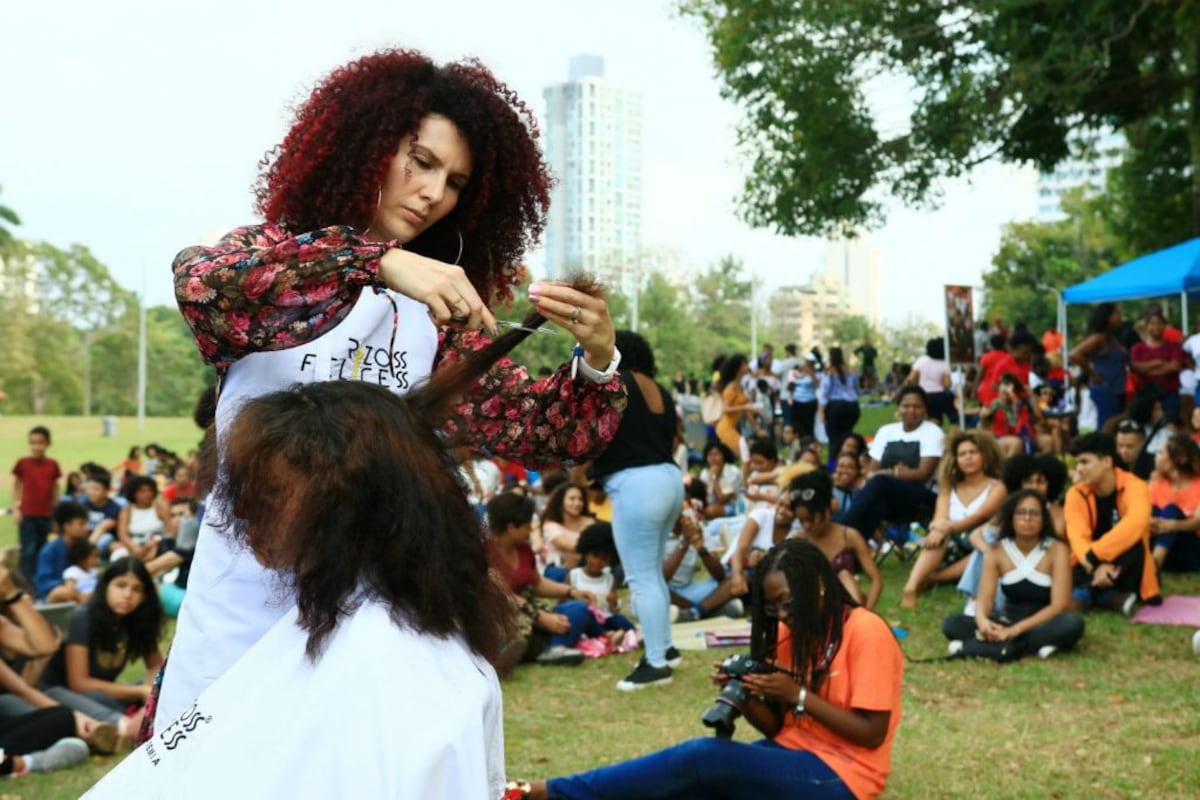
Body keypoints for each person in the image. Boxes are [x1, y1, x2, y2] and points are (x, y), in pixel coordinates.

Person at [155, 49, 627, 729]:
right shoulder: (272, 263)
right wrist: (376, 261)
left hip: (366, 630)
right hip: (237, 622)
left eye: (457, 181)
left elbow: (541, 429)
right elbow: (205, 287)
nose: (434, 193)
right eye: (420, 160)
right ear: (363, 144)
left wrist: (598, 357)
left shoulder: (435, 315)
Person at [92, 370, 539, 797]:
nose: (245, 518)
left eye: (268, 497)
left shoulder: (408, 675)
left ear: (347, 507)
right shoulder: (334, 619)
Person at [512, 539, 904, 800]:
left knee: (702, 758)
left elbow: (871, 734)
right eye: (772, 609)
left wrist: (797, 694)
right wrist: (749, 695)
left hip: (846, 775)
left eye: (788, 602)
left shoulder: (865, 631)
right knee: (691, 784)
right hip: (794, 755)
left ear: (820, 585)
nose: (783, 616)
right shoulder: (788, 633)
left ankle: (552, 792)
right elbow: (780, 730)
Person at [588, 331, 684, 690]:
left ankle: (656, 663)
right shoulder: (661, 389)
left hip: (636, 484)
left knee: (640, 577)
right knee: (652, 573)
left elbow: (598, 433)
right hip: (669, 477)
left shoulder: (617, 382)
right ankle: (666, 648)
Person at [943, 490, 1085, 662]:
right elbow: (984, 602)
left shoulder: (1058, 550)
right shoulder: (996, 551)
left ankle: (974, 647)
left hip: (1042, 623)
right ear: (1011, 517)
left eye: (1034, 513)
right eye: (1021, 513)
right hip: (1006, 620)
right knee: (951, 623)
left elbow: (1059, 605)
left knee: (1072, 624)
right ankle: (1032, 647)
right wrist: (983, 623)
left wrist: (1015, 631)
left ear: (1043, 519)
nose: (1027, 518)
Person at [42, 558, 163, 735]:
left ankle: (140, 714)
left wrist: (149, 691)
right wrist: (139, 692)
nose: (128, 595)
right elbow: (79, 683)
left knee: (165, 682)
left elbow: (155, 665)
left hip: (104, 693)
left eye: (137, 589)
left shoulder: (137, 620)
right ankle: (125, 725)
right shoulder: (83, 617)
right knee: (93, 698)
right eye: (121, 586)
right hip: (64, 694)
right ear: (106, 586)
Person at [486, 492, 598, 669]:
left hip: (530, 611)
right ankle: (514, 651)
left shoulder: (524, 549)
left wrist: (570, 592)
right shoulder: (483, 553)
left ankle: (551, 649)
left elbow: (537, 583)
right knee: (508, 624)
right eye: (527, 526)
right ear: (511, 527)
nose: (531, 530)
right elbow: (504, 597)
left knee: (577, 609)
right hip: (502, 612)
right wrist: (541, 617)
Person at [900, 430, 1008, 610]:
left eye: (973, 452)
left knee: (981, 543)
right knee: (938, 535)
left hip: (979, 539)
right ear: (955, 460)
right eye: (962, 454)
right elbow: (940, 516)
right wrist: (938, 528)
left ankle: (934, 579)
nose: (968, 458)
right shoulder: (949, 486)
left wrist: (947, 528)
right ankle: (911, 588)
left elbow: (980, 516)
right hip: (951, 542)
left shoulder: (998, 486)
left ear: (985, 456)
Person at [1064, 433, 1159, 616]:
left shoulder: (1136, 486)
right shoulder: (1075, 494)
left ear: (1107, 462)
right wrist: (1095, 563)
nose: (1079, 469)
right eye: (1077, 463)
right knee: (1073, 554)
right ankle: (1107, 597)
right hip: (1089, 565)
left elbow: (1136, 524)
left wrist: (1096, 556)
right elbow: (1077, 538)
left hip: (1125, 563)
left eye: (1085, 462)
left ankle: (1088, 594)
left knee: (1134, 542)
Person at [838, 386, 945, 544]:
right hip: (890, 498)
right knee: (875, 506)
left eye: (917, 406)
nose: (911, 410)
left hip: (922, 498)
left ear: (925, 410)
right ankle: (849, 555)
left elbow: (923, 474)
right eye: (906, 406)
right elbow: (873, 471)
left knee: (880, 483)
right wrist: (899, 472)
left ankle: (837, 534)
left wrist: (890, 473)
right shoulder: (886, 431)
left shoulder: (932, 432)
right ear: (899, 408)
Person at [791, 471, 882, 609]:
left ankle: (857, 620)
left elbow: (876, 580)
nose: (806, 526)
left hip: (849, 603)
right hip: (815, 607)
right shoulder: (800, 541)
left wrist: (868, 614)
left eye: (810, 519)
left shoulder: (849, 536)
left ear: (826, 510)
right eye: (801, 520)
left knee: (844, 575)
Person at [566, 522, 636, 644]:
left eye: (604, 558)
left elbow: (614, 611)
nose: (598, 562)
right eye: (595, 555)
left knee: (620, 620)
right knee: (588, 623)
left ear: (611, 560)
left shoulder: (610, 579)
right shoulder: (574, 575)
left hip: (606, 618)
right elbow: (564, 603)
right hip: (586, 619)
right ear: (586, 553)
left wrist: (614, 603)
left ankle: (625, 634)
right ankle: (608, 636)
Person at [10, 425, 61, 583]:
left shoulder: (52, 465)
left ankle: (41, 581)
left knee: (43, 549)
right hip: (28, 514)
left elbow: (55, 488)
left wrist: (55, 514)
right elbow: (17, 485)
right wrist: (16, 508)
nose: (36, 447)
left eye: (40, 443)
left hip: (45, 515)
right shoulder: (23, 463)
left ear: (48, 444)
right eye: (33, 443)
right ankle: (25, 583)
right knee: (28, 551)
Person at [1070, 303, 1128, 429]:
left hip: (1117, 387)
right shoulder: (1098, 337)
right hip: (1105, 388)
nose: (1120, 317)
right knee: (1107, 425)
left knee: (1116, 424)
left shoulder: (1111, 338)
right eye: (1117, 314)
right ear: (1107, 317)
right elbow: (1074, 354)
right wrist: (1092, 373)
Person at [1148, 434, 1200, 573]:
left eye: (1161, 453)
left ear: (1180, 459)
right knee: (1151, 511)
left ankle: (1153, 567)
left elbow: (1198, 521)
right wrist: (1151, 522)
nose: (1156, 457)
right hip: (1165, 548)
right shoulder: (1156, 484)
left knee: (1171, 510)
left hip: (1192, 551)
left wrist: (1172, 525)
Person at [1130, 310, 1184, 419]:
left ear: (1165, 326)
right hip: (1146, 393)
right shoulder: (1137, 348)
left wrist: (1146, 369)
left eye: (1159, 323)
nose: (1156, 326)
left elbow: (1174, 367)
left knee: (1171, 422)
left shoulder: (1174, 346)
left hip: (1170, 392)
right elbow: (1135, 368)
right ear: (1146, 326)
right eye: (1152, 323)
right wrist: (1158, 362)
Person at [33, 501, 90, 603]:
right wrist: (70, 587)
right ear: (66, 526)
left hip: (83, 589)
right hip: (56, 595)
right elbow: (44, 582)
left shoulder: (86, 547)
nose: (86, 528)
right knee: (65, 593)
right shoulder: (49, 551)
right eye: (81, 524)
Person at [113, 476, 177, 562]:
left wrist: (157, 542)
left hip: (157, 544)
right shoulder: (127, 511)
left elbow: (171, 532)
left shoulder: (160, 508)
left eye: (150, 490)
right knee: (118, 554)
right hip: (134, 545)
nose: (147, 494)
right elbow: (123, 534)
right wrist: (134, 547)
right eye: (142, 491)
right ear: (134, 493)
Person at [541, 482, 596, 581]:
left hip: (587, 564)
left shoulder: (589, 521)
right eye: (572, 499)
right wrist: (584, 552)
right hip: (559, 567)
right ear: (561, 501)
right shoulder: (551, 525)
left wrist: (579, 556)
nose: (577, 503)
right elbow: (565, 545)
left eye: (580, 499)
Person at [715, 354, 757, 460]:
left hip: (731, 427)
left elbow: (747, 410)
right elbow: (725, 409)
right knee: (745, 456)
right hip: (725, 428)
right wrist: (744, 408)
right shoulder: (731, 387)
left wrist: (757, 428)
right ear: (738, 369)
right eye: (744, 364)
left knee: (746, 456)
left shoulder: (739, 386)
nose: (747, 366)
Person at [819, 347, 861, 450]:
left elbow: (824, 394)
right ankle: (848, 460)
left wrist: (822, 413)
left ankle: (832, 464)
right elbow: (857, 390)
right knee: (847, 437)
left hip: (836, 408)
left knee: (834, 441)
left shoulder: (829, 372)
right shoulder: (850, 371)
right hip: (852, 407)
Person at [908, 338, 952, 425]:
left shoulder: (921, 360)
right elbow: (947, 384)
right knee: (935, 419)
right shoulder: (944, 364)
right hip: (938, 395)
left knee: (922, 417)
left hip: (922, 393)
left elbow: (911, 379)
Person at [788, 354, 820, 438]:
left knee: (808, 424)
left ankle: (808, 440)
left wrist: (811, 373)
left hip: (809, 401)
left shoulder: (815, 373)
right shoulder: (797, 372)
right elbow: (791, 385)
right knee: (796, 424)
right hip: (797, 401)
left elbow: (817, 384)